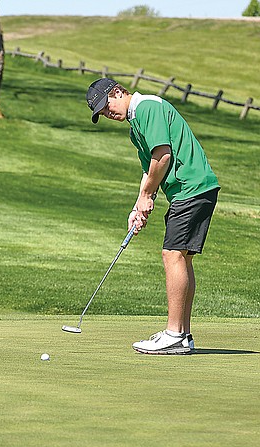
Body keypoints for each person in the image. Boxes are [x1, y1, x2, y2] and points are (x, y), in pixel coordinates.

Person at [85, 78, 220, 355]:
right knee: (181, 257)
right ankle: (182, 336)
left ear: (118, 91)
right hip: (189, 190)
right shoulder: (136, 126)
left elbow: (163, 155)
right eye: (102, 113)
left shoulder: (147, 107)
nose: (108, 113)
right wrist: (139, 204)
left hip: (191, 188)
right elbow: (150, 169)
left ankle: (173, 334)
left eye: (106, 105)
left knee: (172, 255)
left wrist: (148, 196)